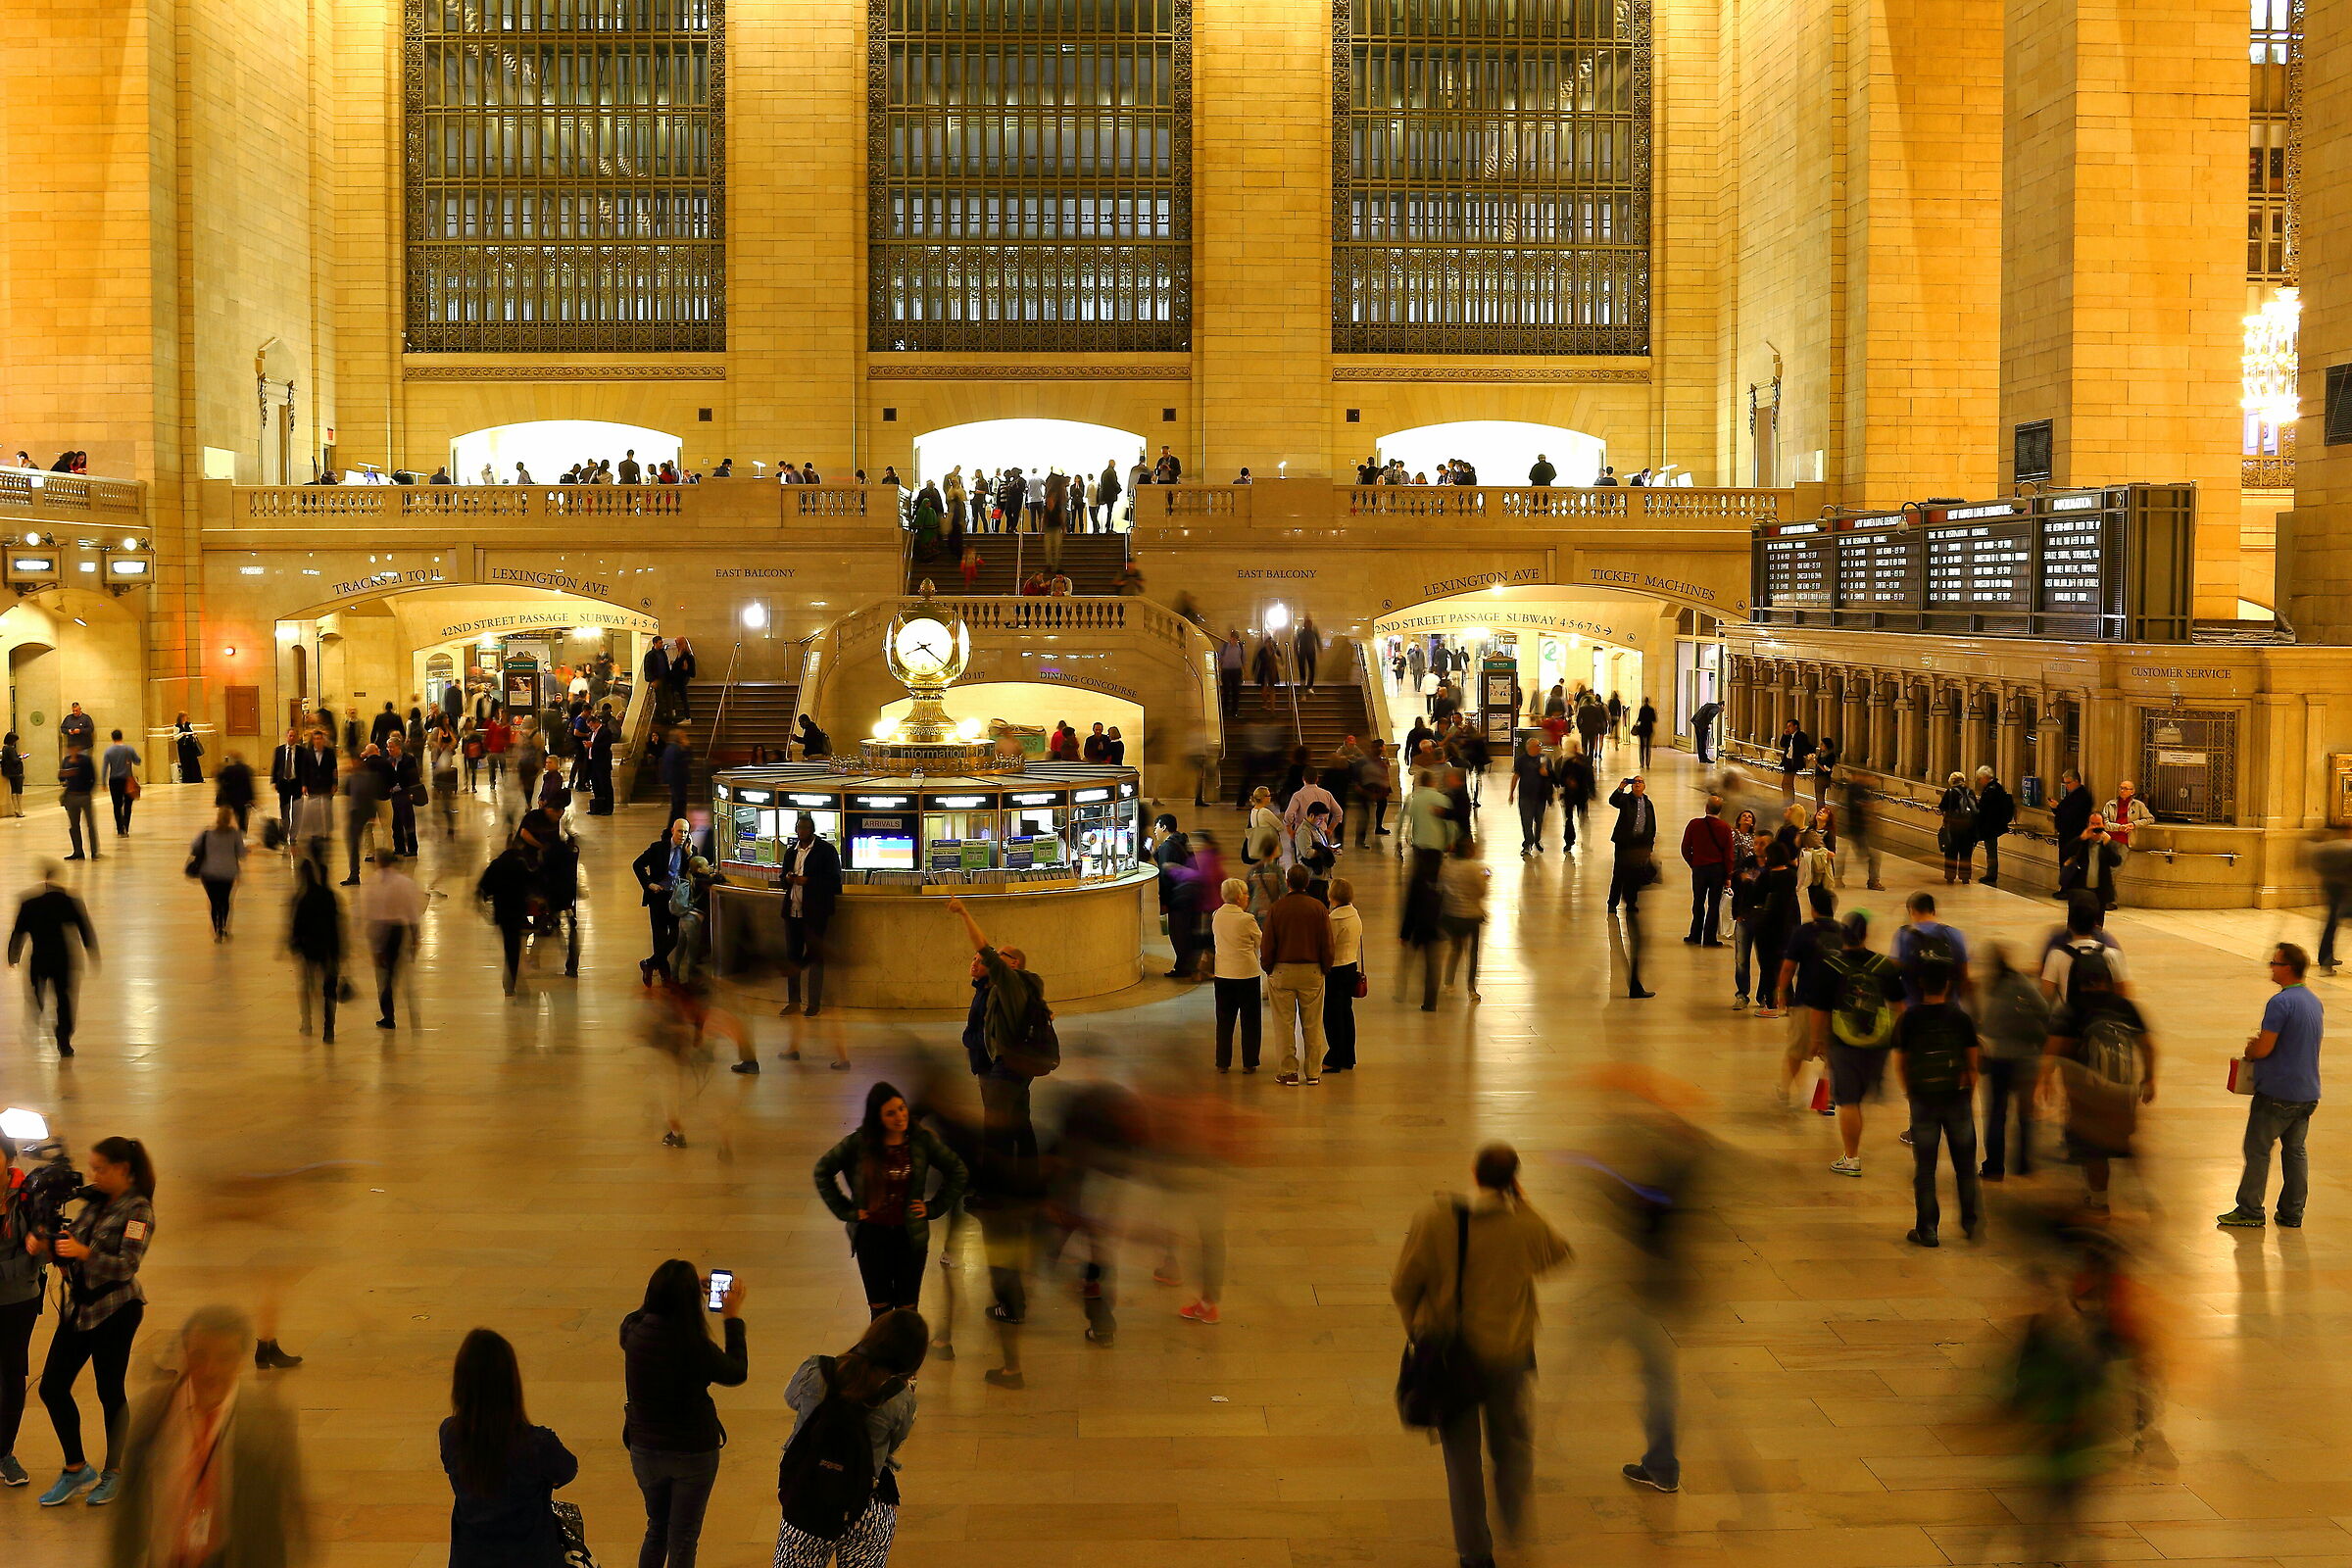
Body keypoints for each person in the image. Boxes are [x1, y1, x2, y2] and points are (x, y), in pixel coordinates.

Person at [1391, 1144, 1573, 1565]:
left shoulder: (1435, 1218)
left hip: (1453, 1357)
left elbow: (1404, 1284)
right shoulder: (1523, 1225)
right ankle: (1513, 1518)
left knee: (1462, 1458)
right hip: (1509, 1353)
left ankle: (1475, 1551)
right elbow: (1558, 1254)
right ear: (1514, 1180)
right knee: (1511, 1443)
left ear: (1473, 1172)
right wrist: (1522, 1206)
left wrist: (1419, 1329)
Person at [103, 1304, 310, 1566]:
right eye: (200, 1355)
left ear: (240, 1359)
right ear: (185, 1353)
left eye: (225, 1357)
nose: (211, 1370)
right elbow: (126, 1517)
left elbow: (289, 1519)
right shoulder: (150, 1415)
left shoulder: (268, 1424)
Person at [32, 1136, 157, 1507]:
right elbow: (69, 1242)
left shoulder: (139, 1212)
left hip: (116, 1310)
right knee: (51, 1388)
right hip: (78, 1309)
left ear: (123, 1170)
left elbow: (126, 1265)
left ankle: (114, 1472)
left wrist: (85, 1252)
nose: (94, 1174)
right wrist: (49, 1245)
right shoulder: (94, 1202)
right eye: (93, 1167)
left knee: (109, 1391)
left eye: (101, 1168)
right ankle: (76, 1469)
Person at [772, 1309, 928, 1567]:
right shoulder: (900, 1397)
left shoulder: (817, 1369)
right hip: (866, 1504)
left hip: (807, 1500)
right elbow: (896, 1442)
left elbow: (792, 1399)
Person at [620, 1260, 748, 1568]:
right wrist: (732, 1318)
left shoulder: (634, 1335)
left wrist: (672, 1291)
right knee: (684, 1536)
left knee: (657, 1528)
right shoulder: (695, 1346)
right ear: (692, 1302)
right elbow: (736, 1372)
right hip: (692, 1450)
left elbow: (634, 1316)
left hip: (645, 1447)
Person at [814, 1083, 969, 1315]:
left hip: (910, 1237)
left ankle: (906, 1349)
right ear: (878, 1118)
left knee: (907, 1309)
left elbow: (958, 1170)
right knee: (880, 1309)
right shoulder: (858, 1143)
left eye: (901, 1108)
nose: (900, 1117)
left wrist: (934, 1208)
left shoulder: (921, 1141)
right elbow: (823, 1171)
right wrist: (847, 1211)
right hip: (871, 1237)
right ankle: (881, 1348)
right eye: (890, 1113)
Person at [441, 1328, 579, 1567]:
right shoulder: (537, 1444)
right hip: (530, 1557)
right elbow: (567, 1470)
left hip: (471, 1557)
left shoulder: (450, 1434)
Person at [2037, 953, 2155, 1214]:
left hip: (2090, 1094)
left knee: (2093, 1150)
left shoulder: (2072, 1009)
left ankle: (2099, 1201)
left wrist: (2045, 1082)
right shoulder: (2126, 1006)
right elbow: (2147, 1046)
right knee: (2121, 1139)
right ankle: (2137, 1188)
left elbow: (2054, 1050)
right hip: (2124, 1093)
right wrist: (2150, 1078)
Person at [2218, 943, 2323, 1228]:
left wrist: (2251, 1049)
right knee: (2295, 1151)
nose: (2271, 968)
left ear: (2288, 968)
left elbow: (2264, 1048)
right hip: (2307, 1091)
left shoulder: (2281, 1002)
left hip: (2278, 1091)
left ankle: (2250, 1209)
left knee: (2258, 1149)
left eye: (2275, 963)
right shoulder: (2314, 1001)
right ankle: (2292, 1212)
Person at [1894, 957, 1983, 1246]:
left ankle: (1928, 1229)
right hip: (1956, 1098)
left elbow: (1901, 1062)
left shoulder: (1910, 1018)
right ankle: (1971, 1223)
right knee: (1966, 1167)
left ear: (1921, 985)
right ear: (1947, 984)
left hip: (1923, 1100)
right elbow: (1972, 1064)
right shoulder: (1961, 1018)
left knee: (1926, 1169)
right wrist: (1968, 1092)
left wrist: (1911, 1091)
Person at [1819, 906, 1906, 1176]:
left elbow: (1819, 1010)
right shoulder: (1884, 966)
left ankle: (1851, 1157)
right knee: (1860, 1096)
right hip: (1877, 1041)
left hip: (1843, 1041)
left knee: (1849, 1101)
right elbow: (1899, 1006)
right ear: (1866, 934)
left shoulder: (1831, 966)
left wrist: (1819, 1041)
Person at [1976, 945, 2050, 1182]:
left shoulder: (1989, 988)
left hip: (1998, 1060)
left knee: (1997, 1114)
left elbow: (1984, 1025)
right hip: (2026, 1059)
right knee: (2024, 1114)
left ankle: (1995, 1167)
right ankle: (2024, 1163)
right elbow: (2044, 1010)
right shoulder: (2021, 983)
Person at [11, 862, 97, 1057]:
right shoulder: (68, 901)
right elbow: (84, 927)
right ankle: (63, 1037)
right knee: (64, 999)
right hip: (62, 958)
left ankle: (39, 1010)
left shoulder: (29, 903)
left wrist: (13, 955)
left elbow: (19, 931)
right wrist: (91, 949)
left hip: (39, 958)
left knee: (36, 992)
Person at [1261, 862, 1333, 1085]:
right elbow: (1327, 943)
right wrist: (1325, 968)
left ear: (1287, 882)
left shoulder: (1277, 908)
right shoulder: (1319, 908)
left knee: (1284, 1024)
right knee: (1312, 1024)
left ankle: (1288, 1071)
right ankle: (1313, 1072)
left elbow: (1268, 943)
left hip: (1282, 970)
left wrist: (1268, 967)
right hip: (1312, 970)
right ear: (1308, 883)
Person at [780, 810, 844, 1016]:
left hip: (815, 913)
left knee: (815, 956)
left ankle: (814, 1003)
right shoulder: (791, 852)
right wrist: (788, 879)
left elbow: (834, 882)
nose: (801, 832)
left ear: (812, 830)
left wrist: (810, 882)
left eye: (805, 828)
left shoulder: (825, 851)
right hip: (793, 911)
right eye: (799, 828)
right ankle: (793, 1001)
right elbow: (782, 878)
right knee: (793, 956)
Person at [362, 849, 426, 1030]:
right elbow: (413, 913)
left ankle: (388, 1015)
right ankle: (413, 1011)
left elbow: (370, 914)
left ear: (378, 862)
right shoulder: (405, 883)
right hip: (399, 931)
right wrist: (415, 939)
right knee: (402, 972)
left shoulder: (373, 883)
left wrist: (373, 945)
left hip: (381, 931)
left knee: (384, 977)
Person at [1208, 877, 1263, 1074]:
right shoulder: (1246, 919)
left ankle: (1222, 1061)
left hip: (1223, 973)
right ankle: (1249, 1061)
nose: (1248, 897)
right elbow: (1259, 941)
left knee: (1224, 1019)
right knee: (1250, 1020)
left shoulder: (1217, 915)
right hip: (1247, 974)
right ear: (1239, 897)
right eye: (1246, 894)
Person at [288, 856, 344, 1041]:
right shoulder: (330, 896)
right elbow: (338, 924)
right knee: (329, 989)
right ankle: (329, 1027)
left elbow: (296, 925)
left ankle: (307, 1021)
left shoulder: (301, 898)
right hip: (329, 949)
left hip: (308, 949)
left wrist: (294, 943)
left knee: (307, 986)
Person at [634, 818, 691, 987]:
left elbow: (692, 874)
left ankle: (649, 963)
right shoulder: (658, 848)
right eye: (680, 831)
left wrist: (690, 855)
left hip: (676, 898)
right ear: (673, 830)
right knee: (659, 937)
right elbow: (637, 865)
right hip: (658, 896)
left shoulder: (689, 851)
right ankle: (665, 973)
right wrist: (649, 884)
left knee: (676, 936)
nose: (683, 835)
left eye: (686, 832)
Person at [476, 842, 537, 998]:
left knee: (509, 944)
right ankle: (511, 980)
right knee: (514, 946)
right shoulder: (520, 865)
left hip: (502, 912)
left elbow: (485, 887)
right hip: (517, 910)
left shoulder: (496, 865)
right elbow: (532, 884)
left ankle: (509, 983)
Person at [1438, 839, 1491, 1003]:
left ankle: (1448, 983)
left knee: (1456, 948)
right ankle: (1471, 988)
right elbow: (1481, 892)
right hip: (1471, 916)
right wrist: (1486, 879)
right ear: (1469, 851)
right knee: (1472, 953)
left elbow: (1441, 888)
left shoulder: (1446, 866)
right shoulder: (1475, 869)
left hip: (1451, 914)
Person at [1681, 795, 1733, 947]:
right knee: (1714, 904)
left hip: (1699, 869)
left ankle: (1695, 935)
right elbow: (1728, 854)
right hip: (1717, 870)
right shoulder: (1724, 827)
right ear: (1720, 810)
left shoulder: (1694, 824)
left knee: (1698, 901)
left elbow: (1685, 848)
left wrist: (1693, 863)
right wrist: (1728, 874)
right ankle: (1709, 938)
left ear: (1706, 808)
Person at [188, 806, 247, 941]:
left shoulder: (207, 833)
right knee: (225, 900)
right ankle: (224, 926)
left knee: (214, 902)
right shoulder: (234, 834)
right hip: (228, 872)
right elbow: (242, 854)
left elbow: (194, 847)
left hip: (209, 873)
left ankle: (216, 930)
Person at [1604, 773, 1656, 914]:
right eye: (1635, 782)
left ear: (1644, 786)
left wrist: (1649, 846)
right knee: (1619, 873)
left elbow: (1651, 825)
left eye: (1640, 782)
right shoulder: (1626, 799)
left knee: (1634, 875)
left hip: (1638, 845)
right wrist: (1621, 788)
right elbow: (1613, 801)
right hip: (1624, 843)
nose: (1638, 784)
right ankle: (1612, 903)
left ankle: (1631, 903)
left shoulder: (1648, 804)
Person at [2059, 811, 2124, 910]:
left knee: (2097, 924)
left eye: (2098, 824)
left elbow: (2116, 862)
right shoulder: (2082, 841)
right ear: (2088, 824)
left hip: (2100, 892)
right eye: (2092, 824)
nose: (2095, 827)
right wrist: (2081, 839)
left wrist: (2108, 845)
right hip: (2080, 890)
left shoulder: (2107, 843)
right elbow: (2066, 852)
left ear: (2103, 825)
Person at [2315, 826, 2352, 973]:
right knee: (2332, 924)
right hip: (2342, 891)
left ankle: (2325, 958)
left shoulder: (2337, 847)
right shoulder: (2346, 849)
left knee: (2331, 924)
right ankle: (2325, 961)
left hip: (2334, 888)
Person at [1972, 765, 2016, 887]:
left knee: (1991, 851)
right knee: (1991, 850)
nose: (1980, 782)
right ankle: (1991, 874)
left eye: (1980, 779)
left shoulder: (1990, 791)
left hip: (1989, 826)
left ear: (1985, 777)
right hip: (1994, 825)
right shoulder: (1998, 788)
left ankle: (1991, 875)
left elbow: (1985, 809)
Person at [1507, 736, 1552, 855]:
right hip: (1525, 796)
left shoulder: (1544, 759)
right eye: (1538, 745)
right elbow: (1516, 776)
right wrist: (1511, 793)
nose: (1540, 747)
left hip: (1540, 796)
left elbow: (1552, 776)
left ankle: (1537, 840)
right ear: (1530, 747)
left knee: (1539, 820)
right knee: (1526, 821)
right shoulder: (1520, 760)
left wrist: (1546, 773)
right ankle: (1528, 843)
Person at [385, 732, 421, 858]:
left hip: (405, 793)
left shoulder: (408, 759)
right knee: (396, 823)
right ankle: (399, 847)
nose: (390, 750)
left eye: (392, 747)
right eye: (388, 747)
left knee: (408, 822)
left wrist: (412, 792)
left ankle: (412, 848)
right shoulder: (389, 761)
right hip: (394, 795)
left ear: (398, 747)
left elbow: (414, 777)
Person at [1936, 771, 1976, 883]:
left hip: (1953, 828)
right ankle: (1965, 877)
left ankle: (1950, 876)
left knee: (1951, 853)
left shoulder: (1950, 792)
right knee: (1966, 854)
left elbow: (1942, 807)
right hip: (1968, 829)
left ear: (1952, 781)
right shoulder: (1970, 792)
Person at [2103, 780, 2155, 862]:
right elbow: (2104, 824)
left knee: (2117, 867)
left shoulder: (2138, 805)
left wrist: (2134, 824)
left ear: (2132, 792)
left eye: (2125, 789)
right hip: (2109, 840)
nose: (2122, 790)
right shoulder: (2110, 804)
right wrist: (2119, 827)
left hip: (2125, 841)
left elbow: (2150, 819)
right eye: (2121, 788)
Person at [101, 728, 140, 836]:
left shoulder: (108, 751)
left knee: (117, 805)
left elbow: (105, 767)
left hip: (114, 780)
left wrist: (103, 782)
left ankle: (119, 829)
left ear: (112, 738)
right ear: (121, 737)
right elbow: (138, 761)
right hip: (128, 780)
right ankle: (126, 827)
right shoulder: (129, 749)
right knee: (128, 805)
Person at [2051, 768, 2094, 851]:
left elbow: (2073, 814)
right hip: (2065, 835)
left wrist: (2058, 807)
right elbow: (2061, 812)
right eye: (2065, 783)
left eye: (2068, 783)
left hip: (2074, 835)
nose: (2066, 786)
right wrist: (2055, 807)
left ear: (2076, 781)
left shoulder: (2082, 796)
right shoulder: (2070, 795)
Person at [660, 724, 695, 826]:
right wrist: (687, 747)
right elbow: (687, 760)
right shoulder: (676, 749)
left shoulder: (670, 748)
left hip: (675, 780)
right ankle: (678, 824)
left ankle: (675, 824)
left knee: (677, 805)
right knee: (679, 804)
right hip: (678, 780)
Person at [1776, 717, 1812, 798]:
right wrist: (1784, 735)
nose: (1788, 728)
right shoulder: (1788, 736)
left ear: (1796, 726)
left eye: (1790, 726)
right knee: (1786, 784)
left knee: (1787, 783)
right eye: (1787, 726)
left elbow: (1805, 747)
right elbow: (1782, 744)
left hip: (1794, 761)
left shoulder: (1801, 736)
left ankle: (1789, 801)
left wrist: (1807, 755)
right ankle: (1787, 800)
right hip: (1787, 761)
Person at [173, 712, 204, 785]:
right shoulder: (176, 726)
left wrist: (193, 734)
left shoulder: (189, 724)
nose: (185, 719)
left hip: (190, 745)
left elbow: (192, 732)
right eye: (183, 717)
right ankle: (187, 779)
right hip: (183, 746)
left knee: (194, 761)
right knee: (185, 762)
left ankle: (197, 778)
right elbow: (175, 737)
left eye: (186, 717)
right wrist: (182, 734)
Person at [1690, 698, 1721, 764]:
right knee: (1703, 741)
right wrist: (1708, 724)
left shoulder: (1710, 705)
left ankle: (1701, 758)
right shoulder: (1717, 707)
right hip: (1702, 724)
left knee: (1699, 741)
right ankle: (1704, 758)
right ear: (1722, 705)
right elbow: (1711, 713)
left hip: (1696, 722)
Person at [0, 729, 22, 818]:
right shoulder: (11, 749)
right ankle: (19, 809)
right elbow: (15, 760)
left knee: (13, 790)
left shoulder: (4, 748)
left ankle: (16, 808)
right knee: (18, 790)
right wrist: (21, 757)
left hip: (9, 772)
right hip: (16, 772)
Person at [1632, 698, 1657, 769]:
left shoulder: (1642, 709)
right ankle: (1648, 764)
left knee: (1642, 747)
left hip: (1642, 729)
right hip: (1649, 729)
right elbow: (1654, 719)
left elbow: (1639, 719)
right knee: (1648, 747)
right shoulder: (1651, 709)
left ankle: (1642, 763)